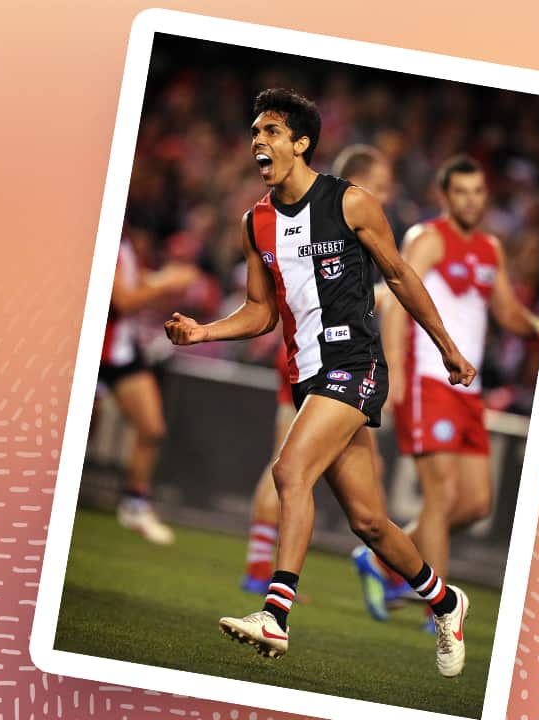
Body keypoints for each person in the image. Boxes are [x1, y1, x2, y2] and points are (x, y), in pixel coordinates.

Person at [165, 89, 474, 677]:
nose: (259, 140)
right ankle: (445, 601)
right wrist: (202, 332)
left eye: (272, 131)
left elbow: (402, 278)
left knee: (289, 470)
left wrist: (448, 348)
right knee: (369, 521)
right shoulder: (255, 222)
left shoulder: (351, 202)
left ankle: (275, 614)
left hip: (356, 366)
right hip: (309, 376)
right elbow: (260, 312)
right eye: (256, 131)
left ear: (301, 142)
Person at [354, 155, 539, 626]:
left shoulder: (490, 248)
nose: (471, 200)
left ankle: (382, 561)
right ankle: (438, 612)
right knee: (440, 498)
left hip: (468, 389)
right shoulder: (428, 238)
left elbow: (507, 313)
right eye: (461, 191)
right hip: (428, 379)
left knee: (474, 504)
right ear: (444, 196)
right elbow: (398, 297)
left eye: (478, 192)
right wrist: (395, 367)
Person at [240, 144, 395, 596]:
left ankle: (403, 577)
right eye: (380, 187)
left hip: (332, 362)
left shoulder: (346, 222)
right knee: (287, 466)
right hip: (310, 361)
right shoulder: (330, 214)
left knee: (311, 471)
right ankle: (259, 573)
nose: (384, 196)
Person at [100, 236, 198, 544]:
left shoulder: (126, 240)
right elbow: (124, 301)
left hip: (123, 351)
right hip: (95, 349)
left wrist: (158, 279)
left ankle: (135, 504)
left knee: (152, 429)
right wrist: (167, 283)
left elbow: (132, 284)